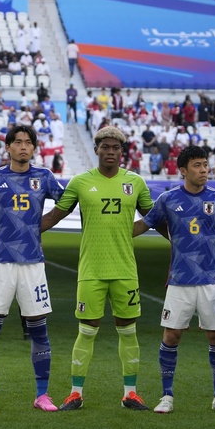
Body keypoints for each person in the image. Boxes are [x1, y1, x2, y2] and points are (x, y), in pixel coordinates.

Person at [42, 126, 156, 411]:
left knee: (128, 331)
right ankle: (75, 394)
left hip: (125, 270)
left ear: (122, 151)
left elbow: (154, 217)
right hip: (91, 269)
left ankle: (130, 393)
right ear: (96, 150)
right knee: (87, 330)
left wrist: (129, 230)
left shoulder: (136, 182)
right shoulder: (80, 182)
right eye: (105, 147)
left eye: (115, 148)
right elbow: (56, 215)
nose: (110, 152)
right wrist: (21, 231)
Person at [133, 145, 215, 414]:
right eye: (197, 165)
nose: (204, 169)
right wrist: (110, 230)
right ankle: (167, 395)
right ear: (183, 170)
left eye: (205, 164)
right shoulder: (168, 199)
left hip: (212, 280)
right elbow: (143, 225)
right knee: (171, 335)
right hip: (179, 280)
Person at [0, 124, 64, 412]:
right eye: (17, 142)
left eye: (28, 142)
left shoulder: (44, 177)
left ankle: (42, 395)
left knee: (39, 331)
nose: (22, 147)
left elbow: (66, 203)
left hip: (32, 265)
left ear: (34, 148)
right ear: (7, 147)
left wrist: (41, 225)